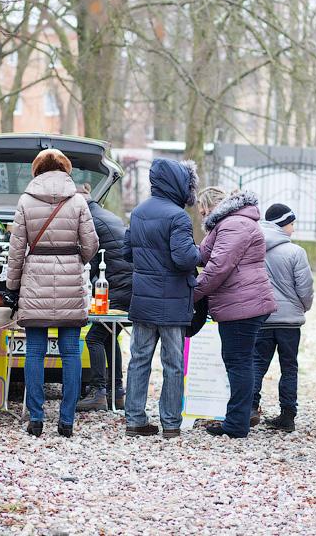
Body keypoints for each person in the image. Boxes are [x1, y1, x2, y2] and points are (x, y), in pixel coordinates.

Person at [6, 149, 99, 438]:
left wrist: (12, 286)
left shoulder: (25, 201)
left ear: (37, 171)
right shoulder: (78, 202)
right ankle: (67, 421)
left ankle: (36, 419)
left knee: (35, 351)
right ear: (65, 170)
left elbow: (16, 250)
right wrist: (76, 259)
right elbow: (92, 244)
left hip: (35, 281)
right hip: (70, 280)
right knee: (71, 352)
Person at [123, 158, 202, 439]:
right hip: (172, 303)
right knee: (173, 364)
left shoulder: (138, 212)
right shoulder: (178, 217)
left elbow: (127, 253)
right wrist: (201, 253)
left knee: (139, 360)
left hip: (143, 299)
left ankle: (134, 420)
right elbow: (184, 257)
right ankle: (170, 424)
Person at [195, 187, 277, 438]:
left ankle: (236, 424)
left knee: (239, 362)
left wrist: (191, 294)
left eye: (202, 211)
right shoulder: (230, 223)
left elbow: (218, 267)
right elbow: (203, 255)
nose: (200, 215)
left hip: (242, 304)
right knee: (239, 361)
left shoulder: (234, 224)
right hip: (241, 302)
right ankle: (237, 419)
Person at [251, 203, 314, 433]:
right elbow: (305, 287)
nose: (293, 229)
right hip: (289, 322)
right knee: (289, 367)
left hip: (262, 317)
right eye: (291, 223)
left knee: (257, 364)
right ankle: (287, 415)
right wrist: (303, 307)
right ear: (281, 224)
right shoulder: (295, 252)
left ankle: (250, 407)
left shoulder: (255, 248)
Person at [75, 183, 133, 412]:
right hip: (128, 285)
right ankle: (117, 392)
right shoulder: (105, 215)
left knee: (94, 338)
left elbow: (81, 254)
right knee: (109, 337)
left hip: (117, 287)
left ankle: (98, 391)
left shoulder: (90, 221)